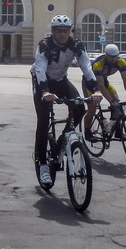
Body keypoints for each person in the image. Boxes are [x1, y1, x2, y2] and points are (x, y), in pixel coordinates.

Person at [31, 15, 103, 183]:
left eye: (66, 31)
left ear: (70, 31)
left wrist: (96, 90)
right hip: (42, 82)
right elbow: (40, 70)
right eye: (59, 31)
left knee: (79, 108)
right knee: (43, 121)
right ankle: (43, 166)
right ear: (53, 31)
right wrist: (45, 93)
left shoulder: (75, 45)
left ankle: (62, 139)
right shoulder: (44, 45)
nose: (63, 34)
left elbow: (86, 66)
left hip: (61, 80)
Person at [83, 43, 126, 139]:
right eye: (111, 57)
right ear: (106, 55)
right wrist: (111, 101)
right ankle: (87, 132)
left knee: (118, 103)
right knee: (92, 109)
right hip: (90, 84)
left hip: (104, 80)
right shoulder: (98, 64)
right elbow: (100, 86)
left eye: (115, 57)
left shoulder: (121, 62)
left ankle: (116, 130)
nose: (113, 59)